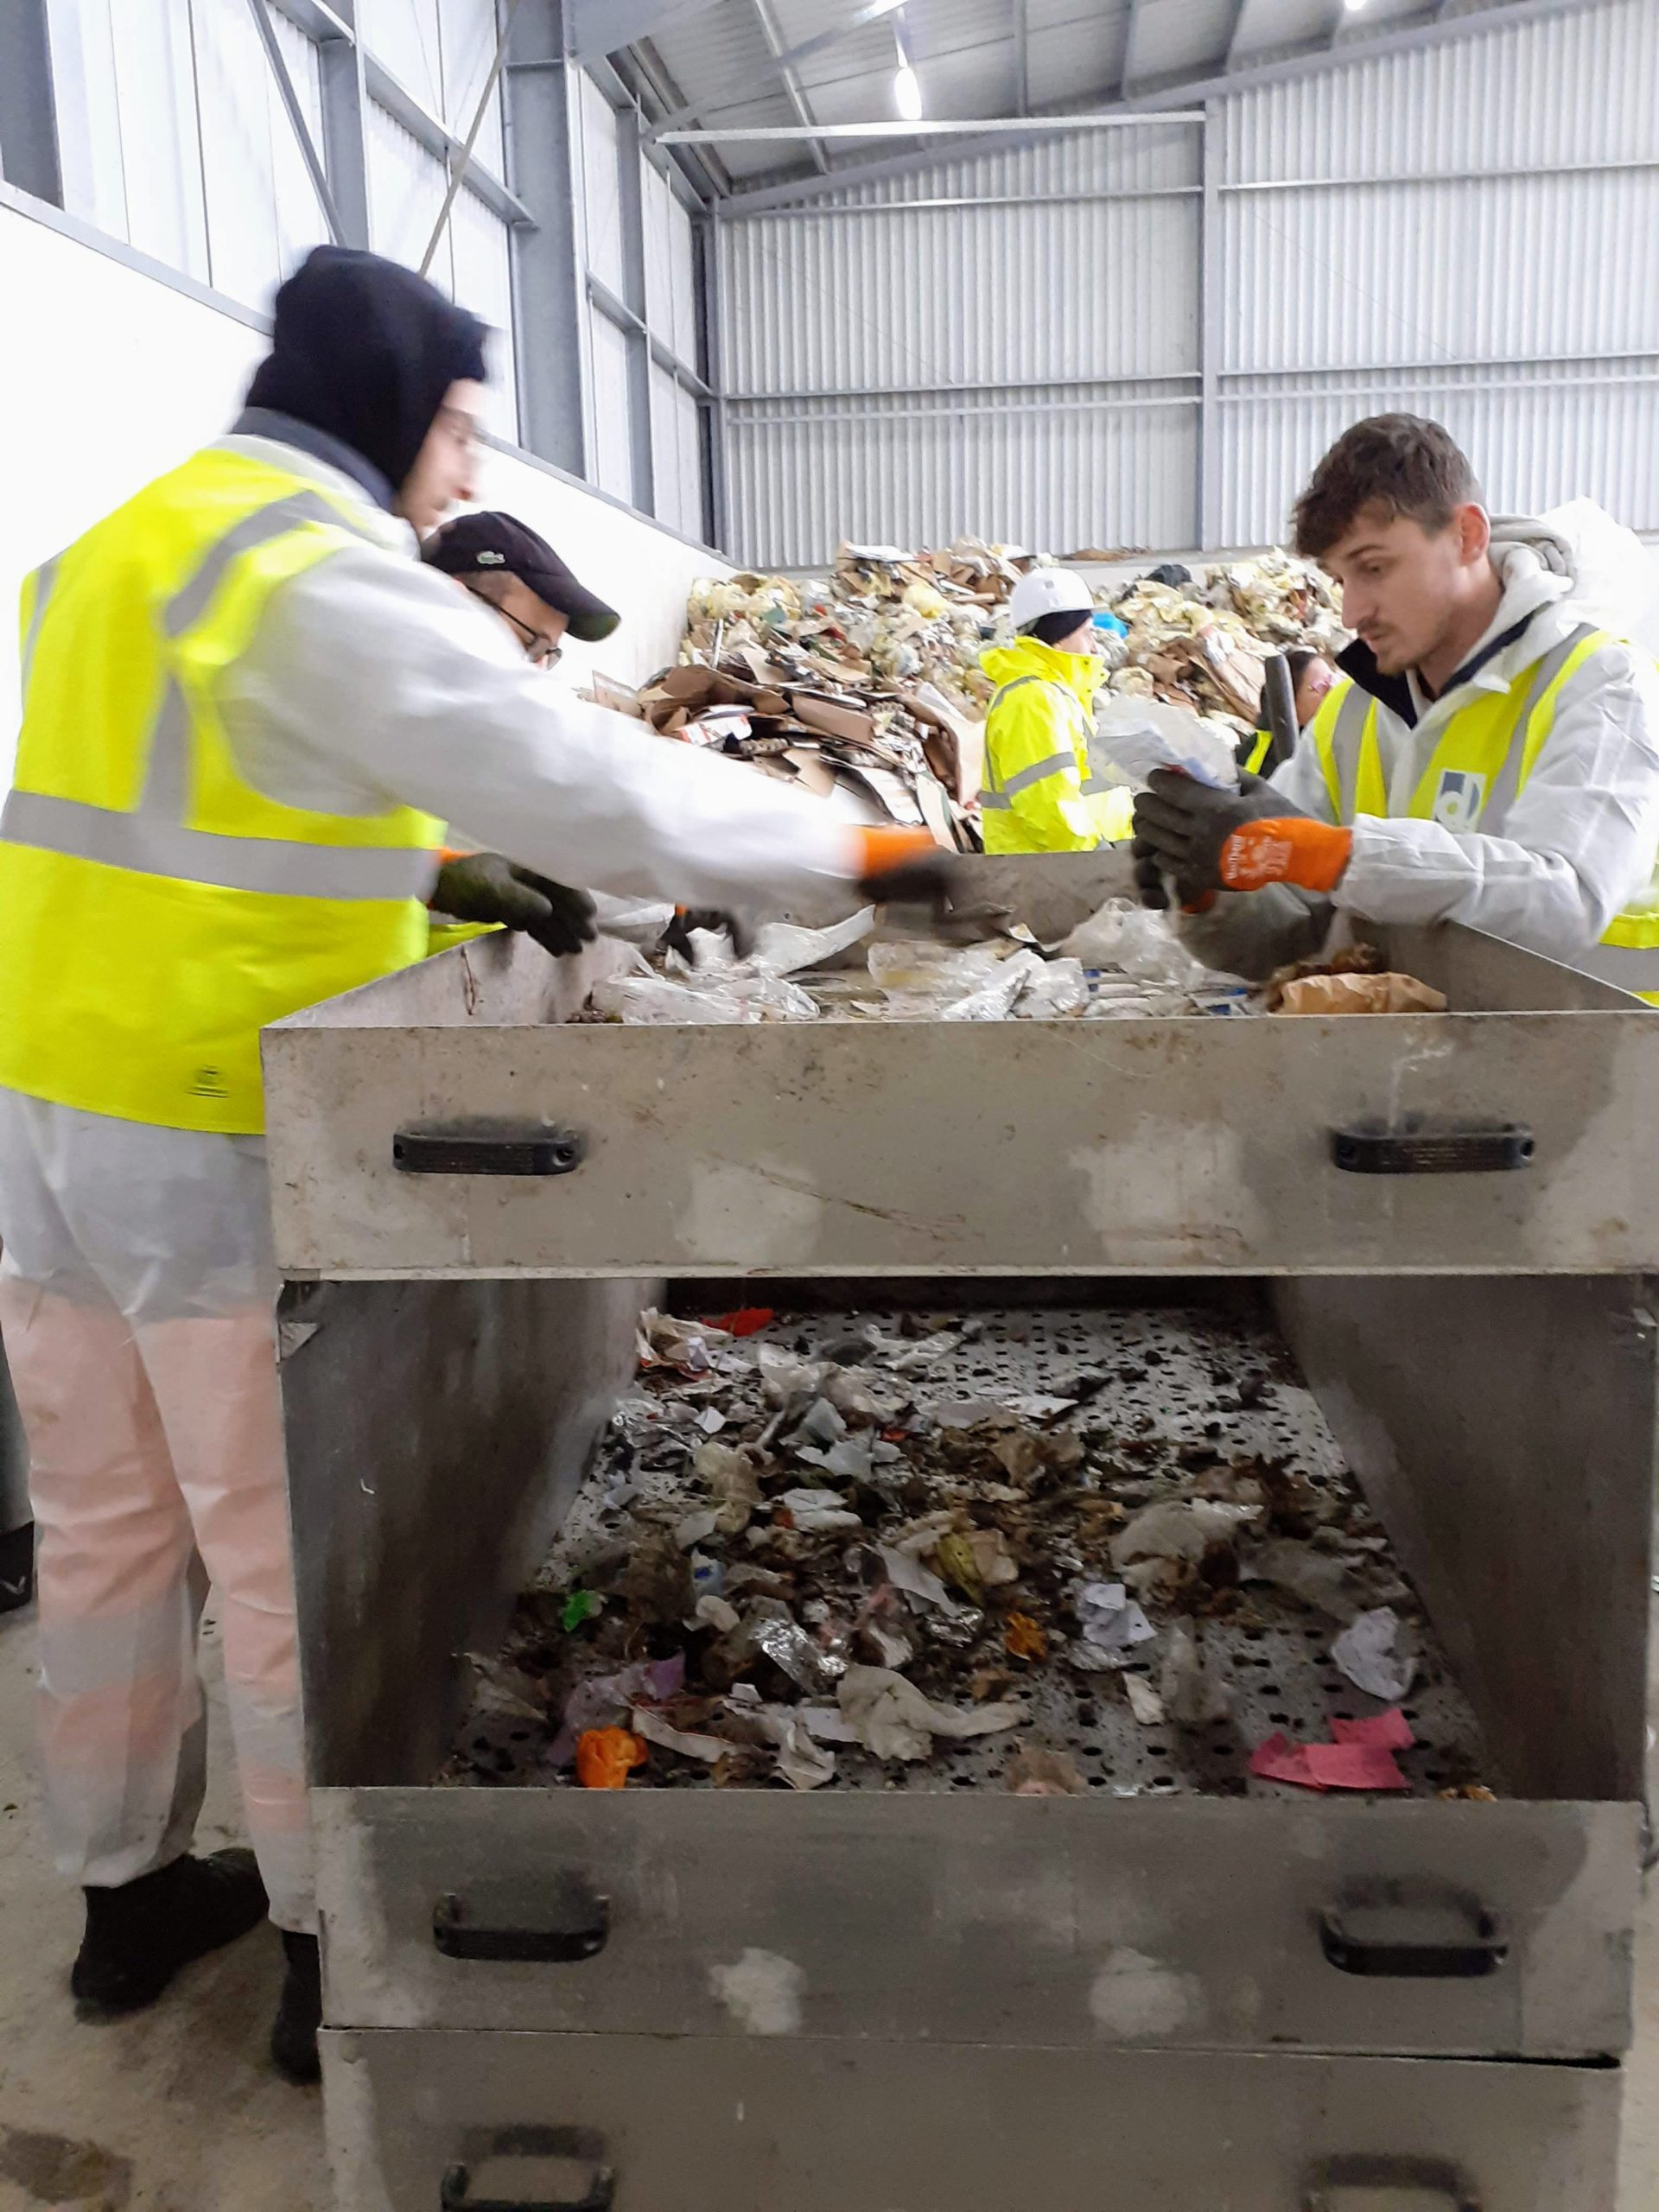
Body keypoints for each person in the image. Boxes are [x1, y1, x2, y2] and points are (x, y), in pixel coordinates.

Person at [0, 246, 948, 2086]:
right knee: (280, 1555)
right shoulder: (316, 567)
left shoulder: (117, 545)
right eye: (456, 425)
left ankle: (118, 1897)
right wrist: (862, 862)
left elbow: (193, 798)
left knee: (107, 1529)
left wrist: (431, 877)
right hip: (206, 1124)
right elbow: (591, 783)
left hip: (41, 1109)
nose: (462, 468)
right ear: (388, 405)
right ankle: (311, 1932)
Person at [1131, 414, 1659, 988]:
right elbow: (1292, 944)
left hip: (1594, 1061)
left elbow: (1563, 902)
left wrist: (1326, 853)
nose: (1352, 612)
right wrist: (1210, 882)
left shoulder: (1601, 686)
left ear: (1468, 536)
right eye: (1340, 580)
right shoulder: (1352, 715)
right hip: (1403, 1065)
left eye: (1374, 568)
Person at [978, 569, 1135, 853]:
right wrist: (1099, 859)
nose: (1094, 646)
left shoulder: (1057, 693)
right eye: (1087, 633)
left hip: (1075, 869)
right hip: (1055, 875)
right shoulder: (1032, 699)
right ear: (1060, 638)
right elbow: (1049, 807)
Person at [1237, 647, 1337, 776]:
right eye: (1321, 686)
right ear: (1291, 706)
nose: (1333, 689)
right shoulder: (1267, 761)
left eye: (1331, 679)